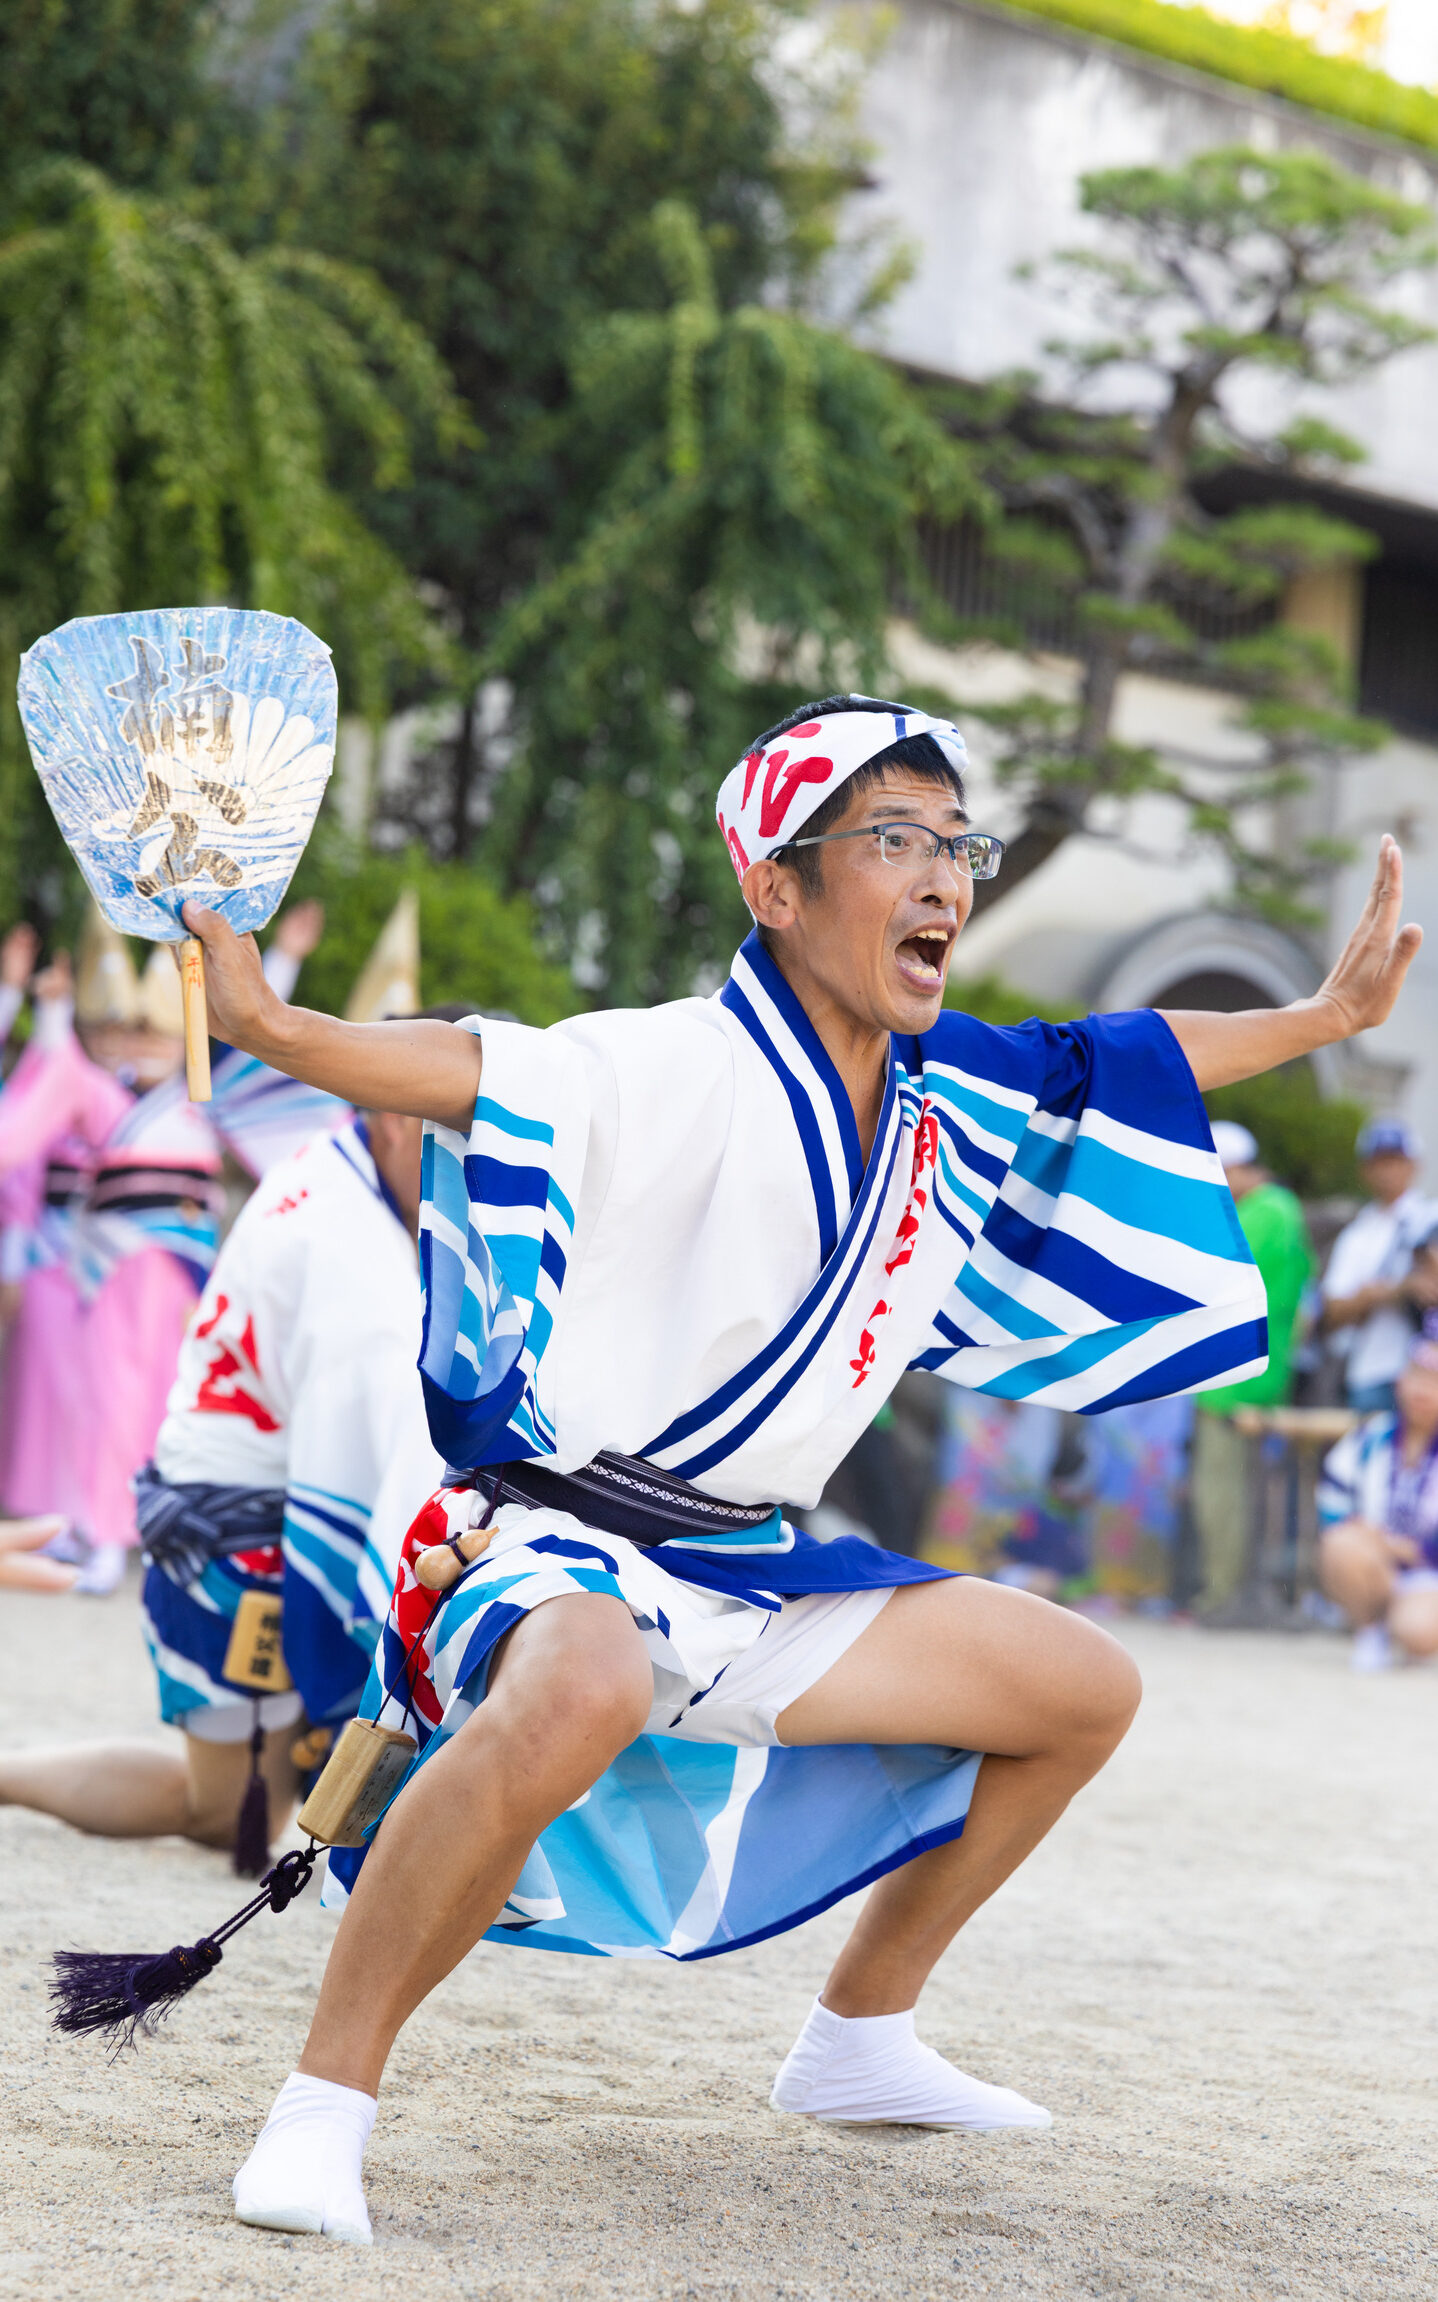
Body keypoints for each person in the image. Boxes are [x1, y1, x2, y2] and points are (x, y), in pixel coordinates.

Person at [174, 692, 1415, 2245]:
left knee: (1079, 1688)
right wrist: (282, 1031)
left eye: (956, 843)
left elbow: (1130, 1054)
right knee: (582, 1683)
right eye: (894, 839)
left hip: (751, 1560)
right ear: (774, 885)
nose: (943, 874)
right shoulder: (671, 1059)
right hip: (561, 1539)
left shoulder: (949, 1088)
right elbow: (478, 1069)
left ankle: (858, 2031)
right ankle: (321, 2103)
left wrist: (1320, 1019)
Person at [0, 1092, 441, 1862]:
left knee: (234, 1808)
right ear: (402, 1119)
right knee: (226, 1811)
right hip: (237, 1530)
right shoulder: (355, 1253)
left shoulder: (325, 1163)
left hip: (213, 1488)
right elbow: (369, 1479)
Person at [1188, 1121, 1315, 1617]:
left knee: (1222, 1494)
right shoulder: (1277, 1209)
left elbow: (1212, 1276)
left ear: (1235, 1167)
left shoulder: (1267, 1211)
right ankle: (1227, 1596)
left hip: (1238, 1381)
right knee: (1230, 1492)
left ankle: (1224, 1599)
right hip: (1240, 1376)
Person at [1317, 1334, 1438, 1672]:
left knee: (1419, 1630)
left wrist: (1413, 1550)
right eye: (1417, 1377)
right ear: (1400, 1381)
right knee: (1341, 1545)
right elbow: (1333, 1503)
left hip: (1428, 1572)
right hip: (1374, 1558)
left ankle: (1409, 1625)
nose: (1423, 1391)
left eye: (1434, 1382)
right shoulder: (1370, 1436)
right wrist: (1375, 1539)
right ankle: (1371, 1629)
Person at [1320, 1120, 1438, 1414]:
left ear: (1414, 1165)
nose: (1387, 1171)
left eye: (1395, 1160)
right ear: (1365, 1169)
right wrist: (1398, 1290)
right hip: (1371, 1372)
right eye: (1379, 1162)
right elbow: (1332, 1310)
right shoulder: (1357, 1233)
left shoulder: (1430, 1217)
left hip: (1429, 1374)